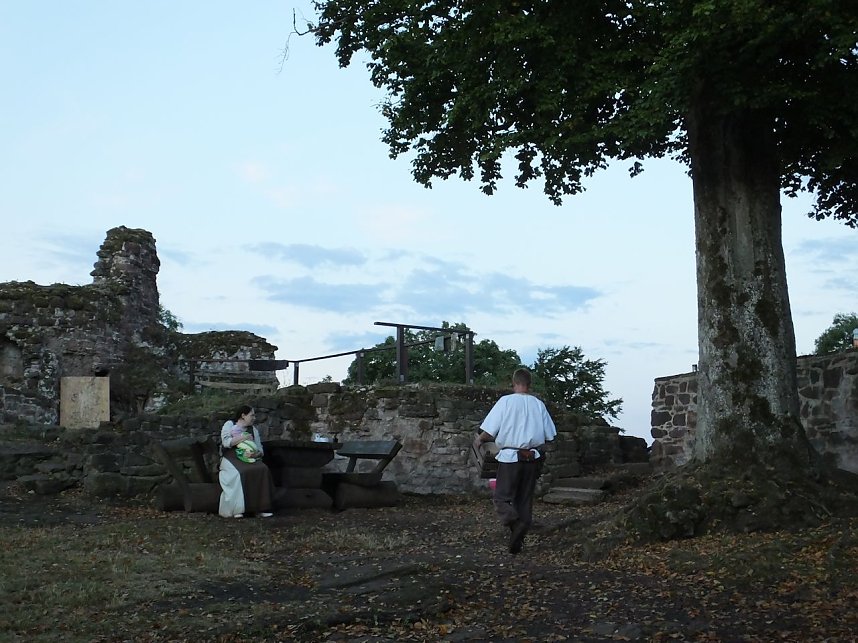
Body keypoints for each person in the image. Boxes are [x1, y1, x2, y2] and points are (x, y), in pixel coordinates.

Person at [474, 368, 556, 554]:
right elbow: (550, 435)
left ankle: (515, 522)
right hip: (532, 458)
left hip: (510, 458)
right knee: (524, 500)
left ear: (513, 383)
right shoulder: (538, 405)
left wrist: (480, 440)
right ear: (530, 384)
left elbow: (489, 430)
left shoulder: (506, 402)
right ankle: (517, 538)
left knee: (501, 498)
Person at [218, 405, 275, 518]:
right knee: (242, 472)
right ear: (243, 416)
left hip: (249, 457)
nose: (254, 418)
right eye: (252, 415)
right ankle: (238, 509)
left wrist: (255, 454)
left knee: (262, 469)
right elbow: (226, 442)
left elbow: (260, 449)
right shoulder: (230, 425)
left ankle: (260, 508)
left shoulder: (253, 429)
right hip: (231, 457)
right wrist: (243, 438)